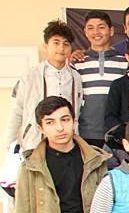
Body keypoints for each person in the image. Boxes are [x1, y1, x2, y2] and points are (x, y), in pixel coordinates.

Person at [6, 20, 84, 154]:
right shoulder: (30, 75)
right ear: (45, 46)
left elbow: (77, 110)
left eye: (66, 44)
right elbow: (16, 110)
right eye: (56, 43)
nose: (61, 48)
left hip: (66, 144)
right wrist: (10, 144)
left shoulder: (75, 77)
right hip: (35, 143)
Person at [74, 11, 129, 147]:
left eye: (101, 27)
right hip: (85, 134)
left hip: (116, 134)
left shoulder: (125, 62)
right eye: (90, 28)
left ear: (111, 31)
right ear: (85, 32)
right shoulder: (77, 63)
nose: (96, 32)